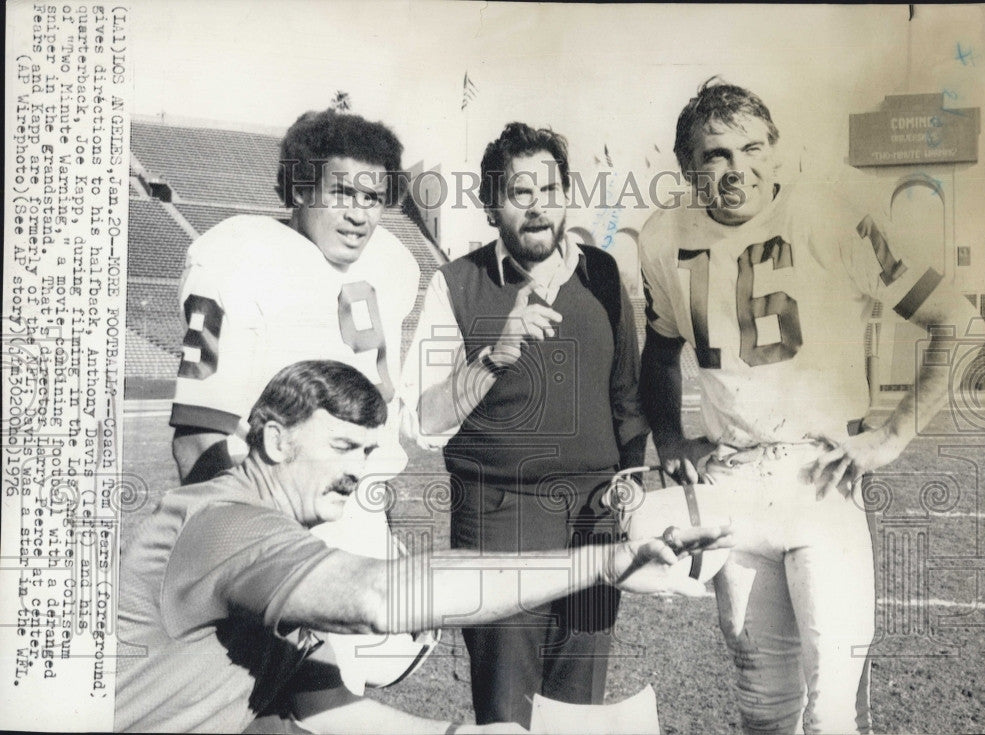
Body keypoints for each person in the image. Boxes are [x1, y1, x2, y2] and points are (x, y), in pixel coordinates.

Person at [114, 360, 729, 733]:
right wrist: (607, 560)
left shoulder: (279, 543)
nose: (360, 470)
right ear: (276, 442)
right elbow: (385, 596)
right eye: (342, 447)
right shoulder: (227, 523)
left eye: (366, 449)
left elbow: (330, 708)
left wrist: (460, 734)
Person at [638, 78, 985, 734]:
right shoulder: (663, 237)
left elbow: (959, 323)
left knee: (830, 709)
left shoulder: (825, 212)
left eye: (752, 148)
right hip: (733, 483)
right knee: (763, 707)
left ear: (776, 151)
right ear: (686, 167)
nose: (737, 168)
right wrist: (670, 438)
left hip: (821, 478)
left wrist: (890, 437)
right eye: (715, 155)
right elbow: (658, 353)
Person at [403, 123, 650, 728]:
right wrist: (492, 356)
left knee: (578, 707)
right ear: (492, 206)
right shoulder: (456, 284)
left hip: (597, 516)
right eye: (520, 192)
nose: (539, 205)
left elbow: (627, 396)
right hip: (499, 514)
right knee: (508, 710)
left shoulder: (603, 274)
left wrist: (635, 479)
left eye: (551, 188)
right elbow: (422, 422)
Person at [169, 110, 419, 488]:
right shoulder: (237, 255)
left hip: (362, 510)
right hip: (272, 506)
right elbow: (197, 437)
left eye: (372, 198)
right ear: (300, 188)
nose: (357, 215)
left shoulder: (392, 260)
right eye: (342, 193)